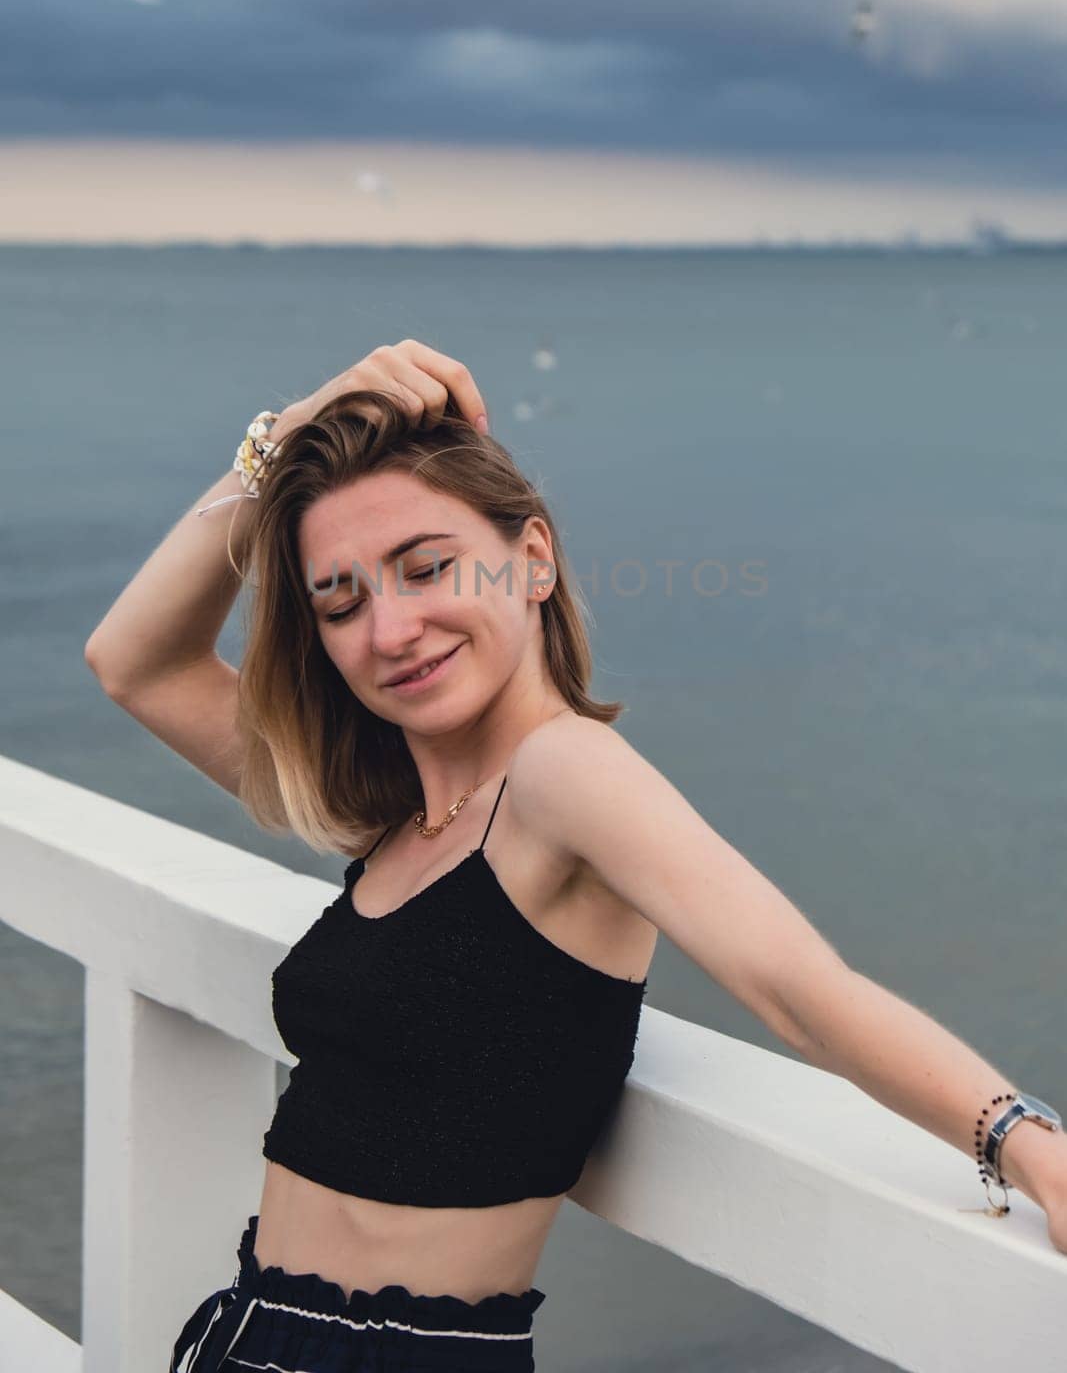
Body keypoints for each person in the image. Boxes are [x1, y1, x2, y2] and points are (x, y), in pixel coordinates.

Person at [85, 340, 1067, 1373]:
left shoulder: (563, 777)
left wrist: (1025, 1139)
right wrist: (282, 436)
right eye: (342, 601)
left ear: (534, 560)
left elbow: (795, 987)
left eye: (426, 568)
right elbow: (133, 660)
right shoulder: (389, 811)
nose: (393, 627)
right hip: (248, 1330)